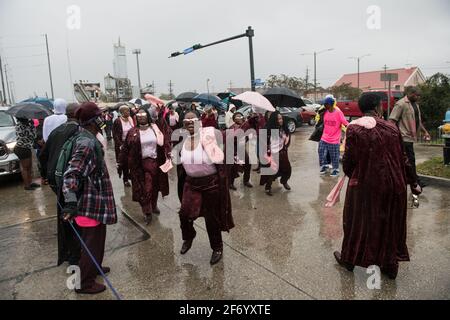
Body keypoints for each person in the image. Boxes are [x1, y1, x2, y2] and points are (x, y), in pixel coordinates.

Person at [334, 93, 421, 279]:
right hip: (395, 185)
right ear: (378, 107)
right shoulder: (392, 128)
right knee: (388, 222)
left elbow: (348, 162)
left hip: (367, 185)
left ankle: (349, 260)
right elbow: (404, 159)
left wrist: (355, 177)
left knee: (356, 222)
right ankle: (390, 266)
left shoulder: (354, 129)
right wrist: (413, 182)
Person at [61, 102, 117, 294]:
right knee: (91, 243)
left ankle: (94, 268)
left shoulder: (87, 136)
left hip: (96, 202)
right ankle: (84, 282)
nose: (102, 120)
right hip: (88, 203)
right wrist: (69, 203)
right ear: (93, 121)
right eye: (99, 117)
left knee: (97, 240)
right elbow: (71, 173)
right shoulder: (86, 143)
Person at [177, 111, 234, 265]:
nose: (189, 123)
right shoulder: (182, 139)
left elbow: (222, 153)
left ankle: (217, 248)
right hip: (191, 183)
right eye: (186, 121)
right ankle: (189, 236)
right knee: (184, 213)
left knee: (212, 219)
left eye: (193, 120)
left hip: (211, 183)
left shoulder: (208, 136)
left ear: (199, 122)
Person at [39, 103, 81, 266]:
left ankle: (70, 253)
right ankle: (75, 258)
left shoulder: (56, 131)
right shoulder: (79, 131)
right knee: (75, 215)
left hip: (56, 180)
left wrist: (45, 175)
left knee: (65, 215)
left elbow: (43, 155)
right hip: (70, 180)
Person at [119, 107, 171, 225]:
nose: (141, 116)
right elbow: (126, 149)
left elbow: (166, 136)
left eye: (143, 114)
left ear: (148, 116)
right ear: (136, 117)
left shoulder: (155, 128)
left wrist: (168, 154)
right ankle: (147, 211)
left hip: (154, 162)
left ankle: (153, 205)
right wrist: (120, 162)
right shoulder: (132, 131)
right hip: (138, 165)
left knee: (154, 186)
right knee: (144, 188)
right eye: (139, 115)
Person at [389, 86, 430, 187]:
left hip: (411, 137)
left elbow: (418, 121)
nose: (418, 97)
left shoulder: (415, 105)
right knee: (410, 159)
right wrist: (394, 136)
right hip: (403, 137)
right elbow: (392, 121)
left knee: (405, 160)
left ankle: (404, 179)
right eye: (417, 95)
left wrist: (425, 132)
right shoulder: (401, 104)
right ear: (410, 94)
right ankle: (415, 181)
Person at [259, 111, 292, 196]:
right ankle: (268, 187)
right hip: (273, 154)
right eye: (278, 119)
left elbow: (287, 138)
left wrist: (285, 146)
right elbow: (263, 142)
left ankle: (284, 181)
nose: (280, 120)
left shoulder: (284, 128)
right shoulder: (269, 130)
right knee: (272, 171)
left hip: (282, 152)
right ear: (274, 120)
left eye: (281, 118)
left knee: (287, 169)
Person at [318, 96, 348, 177]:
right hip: (324, 137)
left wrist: (348, 131)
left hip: (334, 139)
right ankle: (324, 166)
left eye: (326, 104)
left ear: (330, 104)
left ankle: (335, 170)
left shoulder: (338, 112)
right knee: (321, 152)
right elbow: (320, 120)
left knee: (334, 155)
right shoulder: (324, 112)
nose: (324, 105)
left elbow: (345, 123)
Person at [226, 112, 254, 189]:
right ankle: (230, 183)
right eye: (237, 116)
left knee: (248, 163)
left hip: (241, 148)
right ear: (234, 119)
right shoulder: (231, 127)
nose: (239, 117)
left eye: (240, 116)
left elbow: (248, 135)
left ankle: (246, 181)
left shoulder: (245, 125)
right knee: (234, 167)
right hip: (233, 149)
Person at [14, 117, 40, 190]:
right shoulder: (27, 126)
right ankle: (27, 185)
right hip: (23, 148)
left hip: (21, 147)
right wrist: (33, 126)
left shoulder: (18, 125)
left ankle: (30, 182)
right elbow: (34, 136)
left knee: (28, 167)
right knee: (25, 168)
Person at [112, 105, 134, 187]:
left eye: (128, 110)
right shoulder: (117, 121)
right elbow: (115, 134)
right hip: (122, 145)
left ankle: (130, 175)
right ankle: (125, 180)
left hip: (131, 144)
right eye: (125, 111)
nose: (128, 112)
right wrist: (120, 145)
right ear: (121, 112)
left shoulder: (131, 120)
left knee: (132, 162)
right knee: (124, 163)